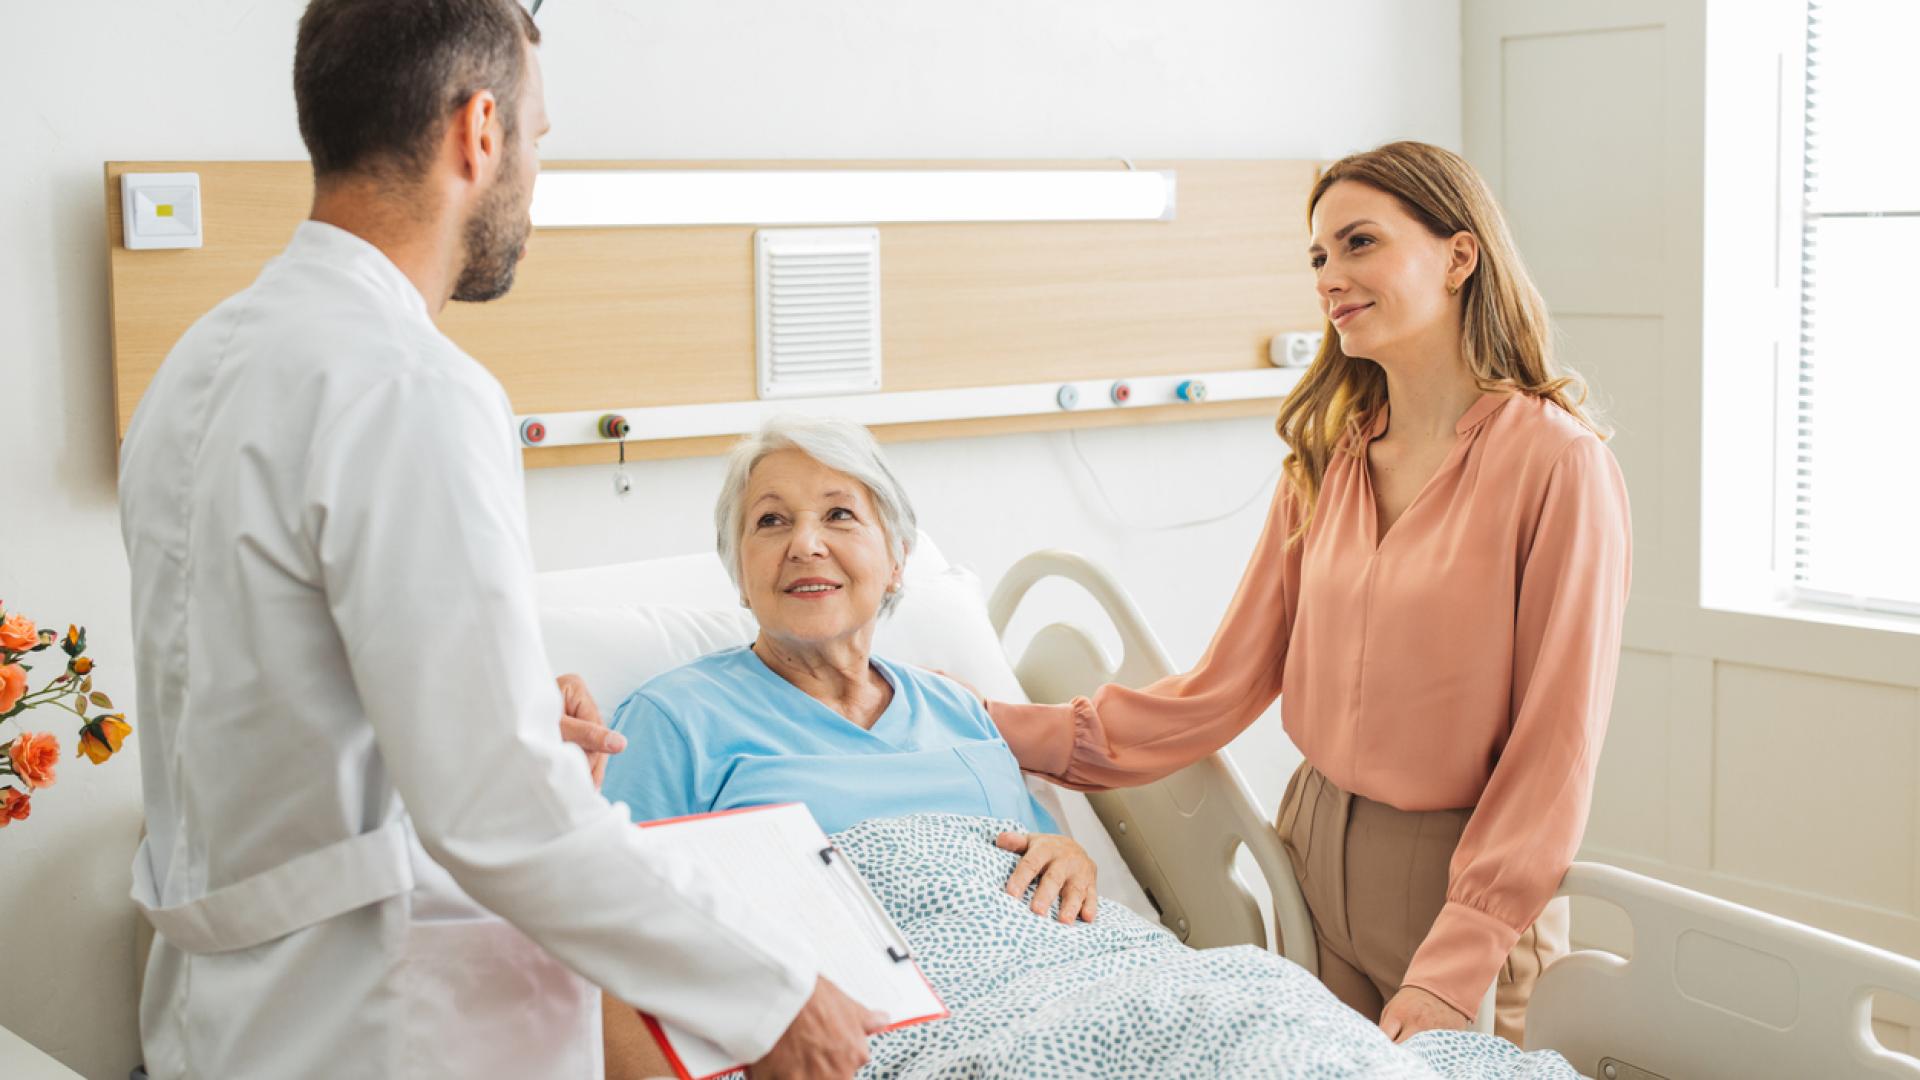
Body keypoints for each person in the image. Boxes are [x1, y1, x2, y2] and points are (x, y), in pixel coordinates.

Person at [118, 2, 876, 1076]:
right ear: (480, 131)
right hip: (371, 1022)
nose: (533, 175)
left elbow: (271, 720)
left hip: (218, 1020)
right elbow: (505, 814)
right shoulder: (411, 385)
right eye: (538, 138)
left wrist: (505, 706)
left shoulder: (201, 364)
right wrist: (774, 993)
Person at [982, 140, 1632, 1046]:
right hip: (1308, 855)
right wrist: (996, 727)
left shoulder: (1558, 464)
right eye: (1319, 256)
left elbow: (1554, 749)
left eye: (1360, 243)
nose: (1331, 276)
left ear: (1459, 255)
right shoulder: (1328, 457)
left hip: (1456, 882)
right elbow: (1219, 690)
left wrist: (1458, 961)